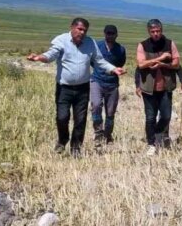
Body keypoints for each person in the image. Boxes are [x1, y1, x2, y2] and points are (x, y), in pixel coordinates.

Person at [26, 18, 126, 157]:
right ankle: (62, 140)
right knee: (62, 117)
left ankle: (76, 147)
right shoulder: (61, 40)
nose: (82, 32)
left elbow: (99, 61)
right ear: (72, 27)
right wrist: (39, 57)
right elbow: (51, 54)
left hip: (82, 88)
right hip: (64, 88)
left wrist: (113, 69)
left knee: (80, 120)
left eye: (84, 30)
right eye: (79, 29)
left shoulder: (90, 43)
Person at [136, 19, 181, 155]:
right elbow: (141, 65)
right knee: (150, 117)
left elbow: (176, 64)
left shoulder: (169, 44)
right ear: (149, 32)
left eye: (158, 31)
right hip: (148, 88)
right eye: (153, 31)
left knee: (166, 116)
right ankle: (151, 144)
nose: (156, 34)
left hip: (165, 87)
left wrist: (163, 65)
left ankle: (156, 133)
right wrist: (160, 58)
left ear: (161, 30)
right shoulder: (143, 45)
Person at [90, 25, 127, 146]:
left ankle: (108, 134)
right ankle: (98, 133)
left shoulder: (120, 49)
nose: (109, 35)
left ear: (116, 35)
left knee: (110, 112)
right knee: (95, 105)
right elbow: (92, 61)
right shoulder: (97, 46)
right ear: (104, 33)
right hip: (97, 80)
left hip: (112, 83)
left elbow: (121, 63)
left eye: (112, 33)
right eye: (107, 33)